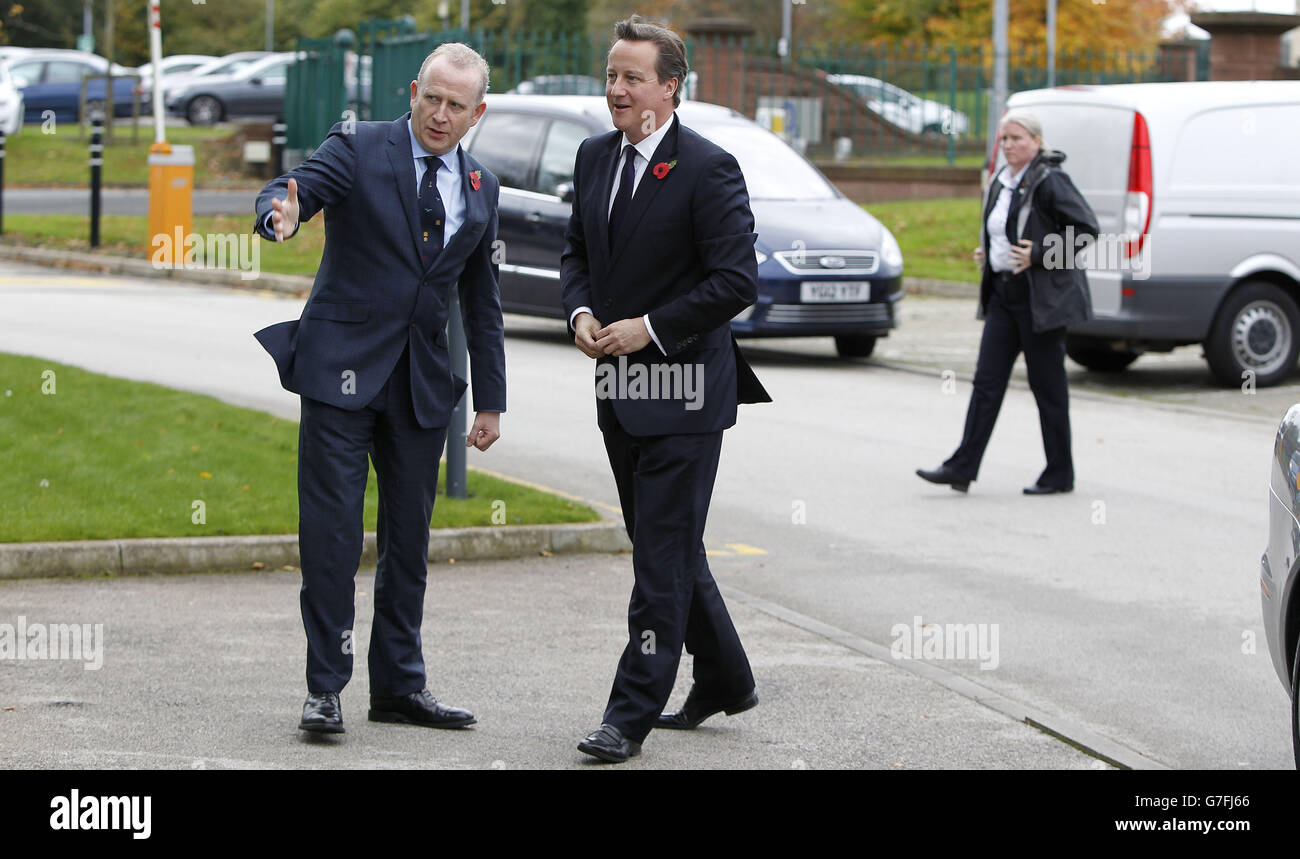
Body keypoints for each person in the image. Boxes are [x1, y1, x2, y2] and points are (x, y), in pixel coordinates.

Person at [251, 43, 506, 735]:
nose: (441, 115)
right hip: (341, 372)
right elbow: (295, 188)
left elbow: (481, 301)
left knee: (409, 541)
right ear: (415, 90)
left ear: (476, 112)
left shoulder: (482, 185)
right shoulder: (360, 146)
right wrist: (280, 213)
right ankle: (325, 686)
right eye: (432, 98)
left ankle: (399, 685)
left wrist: (491, 400)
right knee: (333, 534)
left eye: (458, 106)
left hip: (421, 386)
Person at [560, 15, 771, 764]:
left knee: (659, 561)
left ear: (670, 87)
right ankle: (724, 676)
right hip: (618, 386)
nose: (616, 88)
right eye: (611, 75)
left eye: (632, 77)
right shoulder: (592, 157)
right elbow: (577, 251)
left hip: (683, 390)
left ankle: (628, 715)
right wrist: (581, 311)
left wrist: (648, 327)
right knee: (669, 546)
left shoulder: (708, 168)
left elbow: (735, 281)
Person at [917, 108, 1098, 495]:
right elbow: (1004, 228)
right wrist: (992, 253)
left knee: (1047, 388)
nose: (1009, 145)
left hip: (1040, 301)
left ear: (1036, 140)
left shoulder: (1050, 180)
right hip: (1004, 296)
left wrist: (1039, 254)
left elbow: (1086, 232)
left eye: (1017, 138)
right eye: (1004, 139)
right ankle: (962, 467)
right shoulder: (1002, 179)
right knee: (986, 383)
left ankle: (1059, 473)